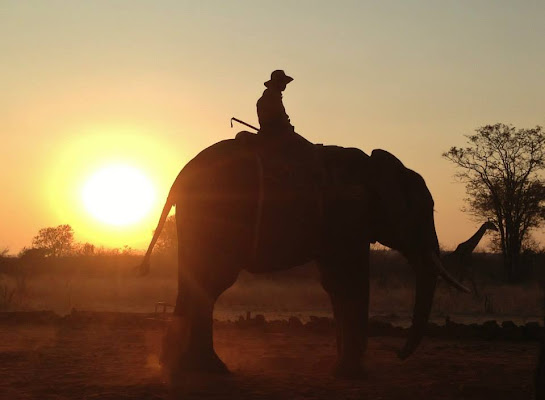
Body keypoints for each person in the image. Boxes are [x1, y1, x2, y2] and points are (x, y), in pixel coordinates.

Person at [256, 70, 295, 137]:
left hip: (273, 132)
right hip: (276, 134)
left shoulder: (270, 97)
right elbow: (279, 118)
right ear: (277, 83)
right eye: (283, 82)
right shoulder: (272, 98)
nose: (285, 85)